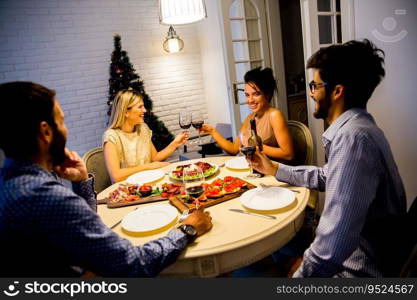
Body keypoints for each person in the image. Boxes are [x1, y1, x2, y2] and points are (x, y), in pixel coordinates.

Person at [0, 82, 212, 277]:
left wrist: (82, 182)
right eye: (62, 121)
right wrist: (187, 229)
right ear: (46, 131)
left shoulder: (12, 184)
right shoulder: (47, 196)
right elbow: (132, 264)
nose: (66, 128)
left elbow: (86, 230)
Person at [248, 39, 407, 277]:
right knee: (277, 254)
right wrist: (275, 169)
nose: (311, 93)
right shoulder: (359, 127)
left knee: (252, 270)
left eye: (315, 85)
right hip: (353, 259)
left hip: (358, 271)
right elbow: (327, 175)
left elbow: (331, 248)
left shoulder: (353, 140)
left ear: (337, 91)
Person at [199, 67, 294, 162]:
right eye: (247, 95)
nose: (250, 100)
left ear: (267, 94)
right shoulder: (250, 118)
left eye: (256, 94)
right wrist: (213, 132)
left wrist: (255, 147)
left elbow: (288, 154)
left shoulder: (275, 115)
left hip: (270, 172)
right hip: (252, 169)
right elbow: (234, 149)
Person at [103, 89, 188, 182]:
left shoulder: (143, 128)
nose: (145, 110)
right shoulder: (112, 136)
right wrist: (149, 166)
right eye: (140, 107)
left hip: (147, 182)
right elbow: (116, 176)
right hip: (126, 190)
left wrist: (175, 143)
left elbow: (155, 157)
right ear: (126, 112)